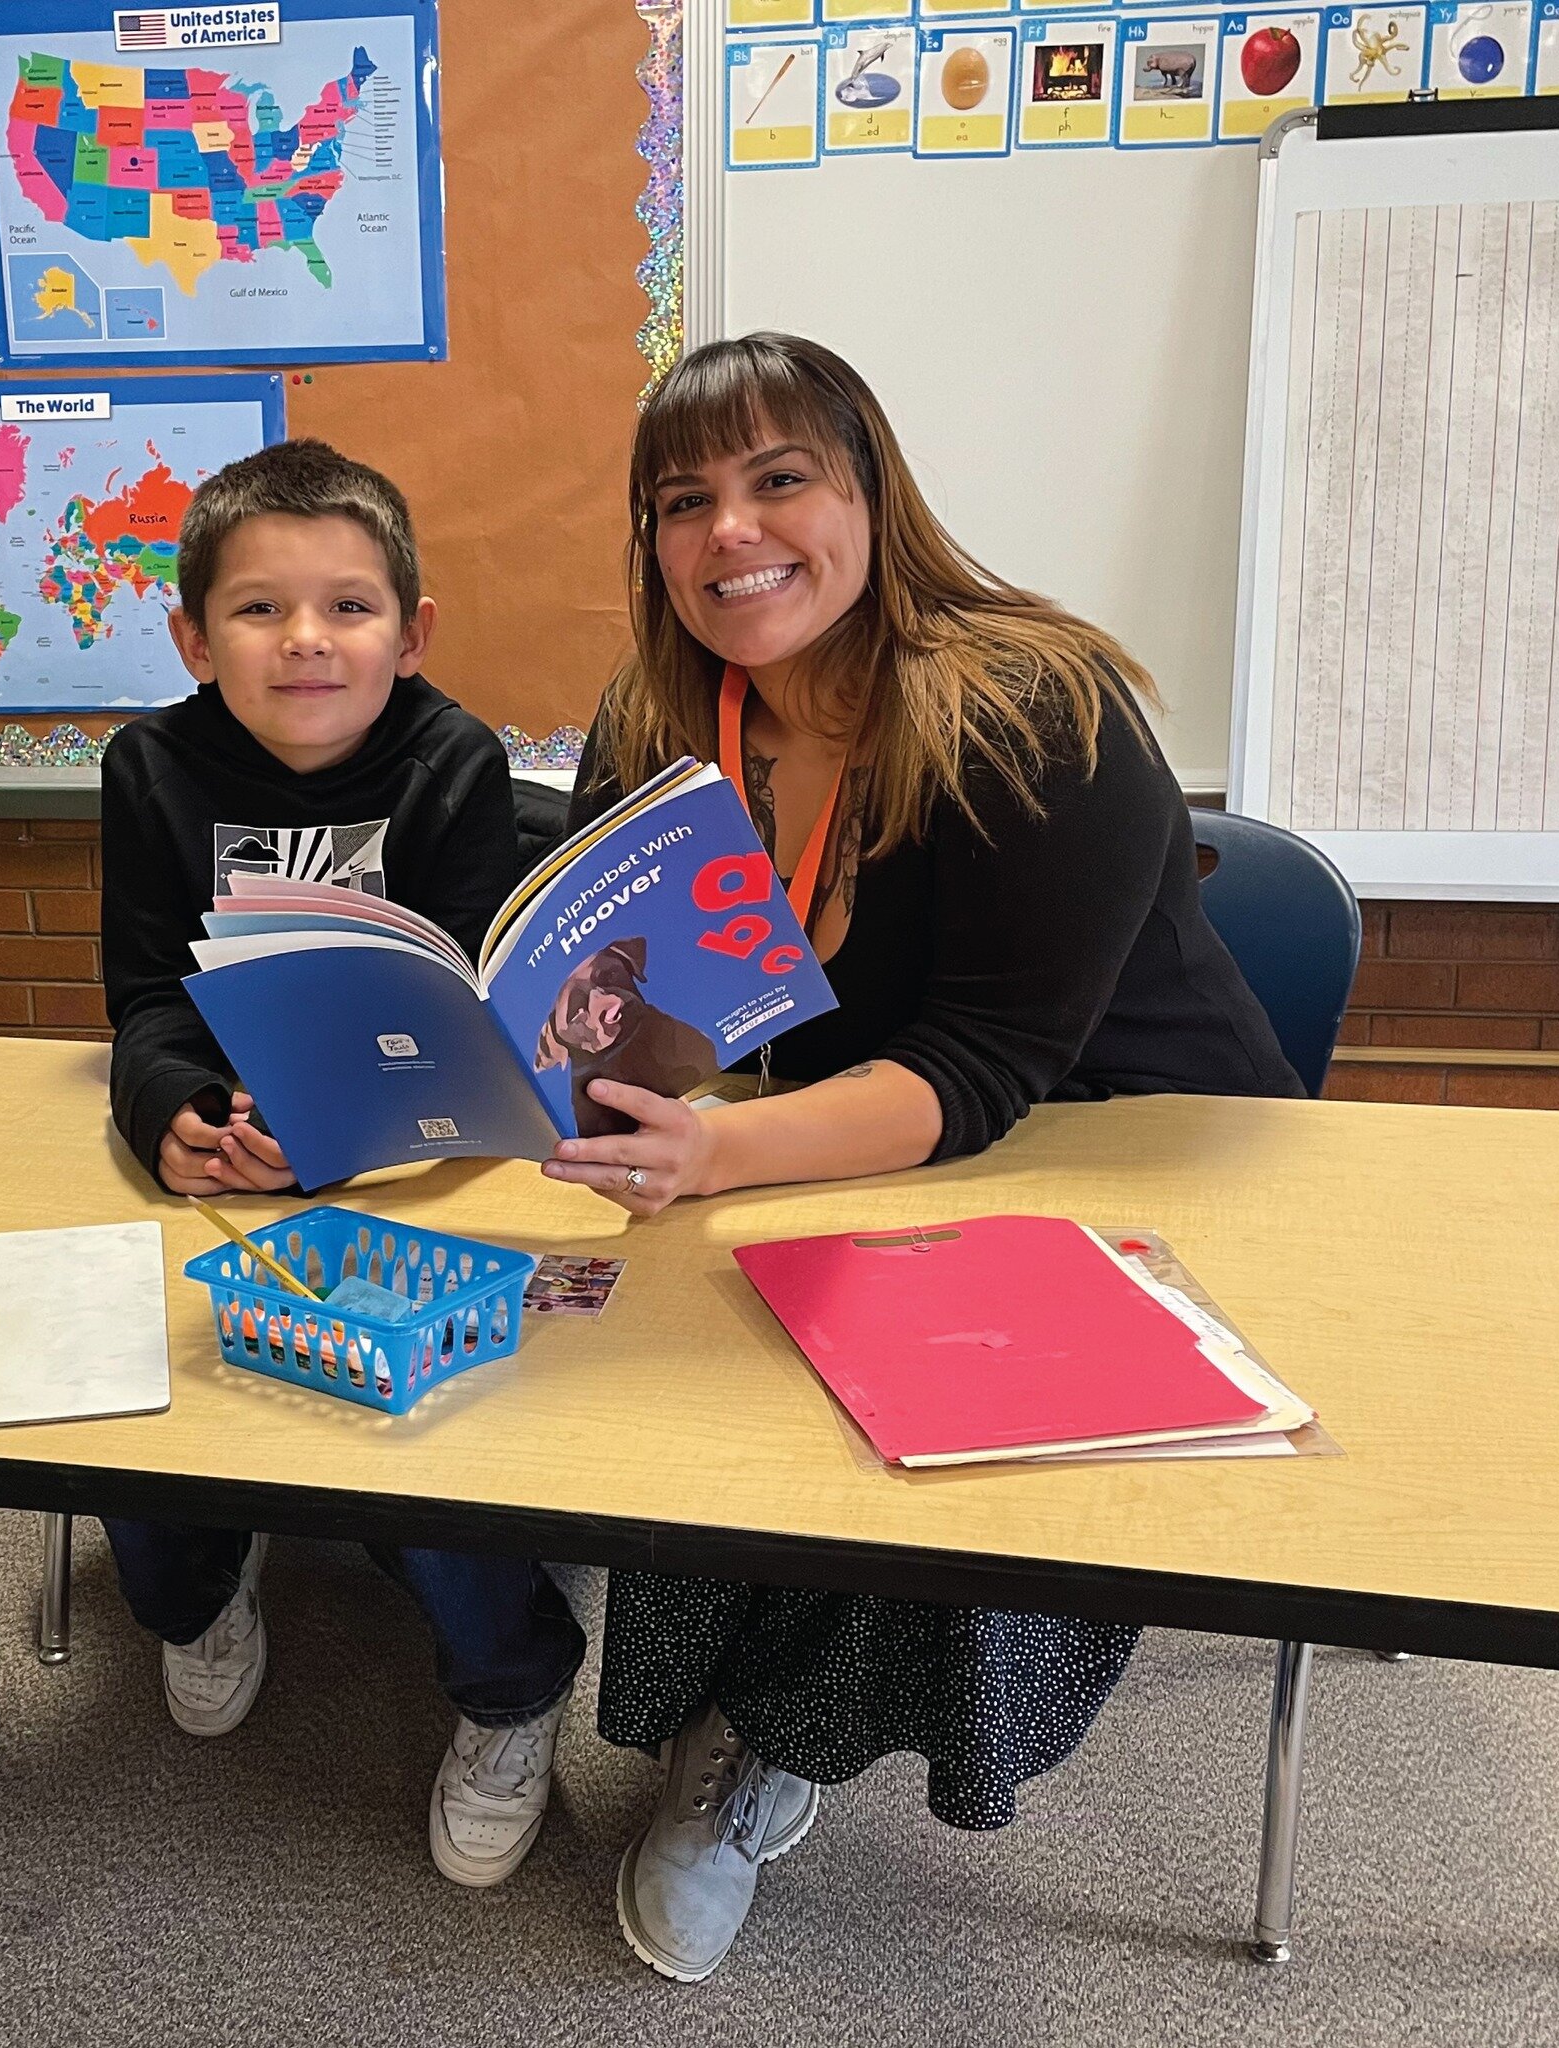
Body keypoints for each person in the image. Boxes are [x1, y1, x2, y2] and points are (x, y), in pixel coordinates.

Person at [549, 333, 1302, 1981]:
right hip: (866, 1138)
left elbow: (985, 1065)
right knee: (691, 1379)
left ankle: (772, 1748)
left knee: (960, 1465)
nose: (730, 532)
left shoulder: (1036, 704)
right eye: (685, 501)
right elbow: (659, 998)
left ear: (872, 495)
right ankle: (703, 1705)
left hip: (1127, 1150)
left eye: (778, 478)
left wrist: (724, 1144)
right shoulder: (672, 717)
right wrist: (561, 1040)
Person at [99, 438, 585, 1888]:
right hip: (223, 1160)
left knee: (419, 1411)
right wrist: (171, 1104)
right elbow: (139, 996)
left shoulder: (452, 760)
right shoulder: (149, 767)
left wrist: (327, 1133)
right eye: (257, 609)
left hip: (404, 1166)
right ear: (194, 636)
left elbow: (468, 1028)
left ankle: (510, 1688)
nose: (305, 640)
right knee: (146, 1389)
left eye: (348, 607)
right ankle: (197, 1594)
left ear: (412, 630)